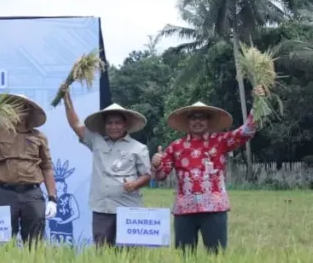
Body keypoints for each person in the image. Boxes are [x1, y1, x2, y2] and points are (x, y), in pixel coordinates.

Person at [150, 88, 265, 253]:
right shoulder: (176, 146)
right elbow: (161, 175)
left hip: (214, 209)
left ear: (209, 121)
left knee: (216, 258)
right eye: (193, 118)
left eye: (202, 118)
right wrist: (156, 164)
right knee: (184, 259)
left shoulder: (220, 141)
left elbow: (246, 131)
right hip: (184, 210)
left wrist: (257, 103)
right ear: (187, 122)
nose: (198, 122)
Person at [0, 93, 57, 247]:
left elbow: (47, 168)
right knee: (4, 242)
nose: (16, 111)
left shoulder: (39, 137)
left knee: (35, 242)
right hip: (6, 193)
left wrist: (52, 199)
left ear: (28, 111)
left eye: (20, 107)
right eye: (12, 107)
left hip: (32, 194)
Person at [62, 92, 151, 246]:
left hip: (127, 208)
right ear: (104, 125)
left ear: (125, 124)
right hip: (102, 208)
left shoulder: (138, 148)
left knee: (129, 254)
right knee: (102, 252)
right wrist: (66, 100)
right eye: (109, 123)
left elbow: (147, 175)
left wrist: (135, 184)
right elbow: (75, 124)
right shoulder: (96, 141)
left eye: (117, 123)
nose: (113, 127)